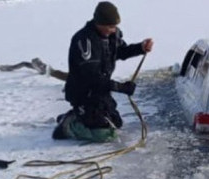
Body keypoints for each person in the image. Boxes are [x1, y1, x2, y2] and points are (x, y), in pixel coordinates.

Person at [53, 1, 154, 142]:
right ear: (98, 23)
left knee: (115, 123)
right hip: (83, 93)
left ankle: (78, 115)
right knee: (104, 134)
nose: (113, 30)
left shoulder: (112, 35)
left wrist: (140, 48)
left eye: (114, 26)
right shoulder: (84, 41)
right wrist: (119, 87)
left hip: (101, 92)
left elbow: (120, 51)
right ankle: (69, 126)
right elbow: (92, 77)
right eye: (110, 26)